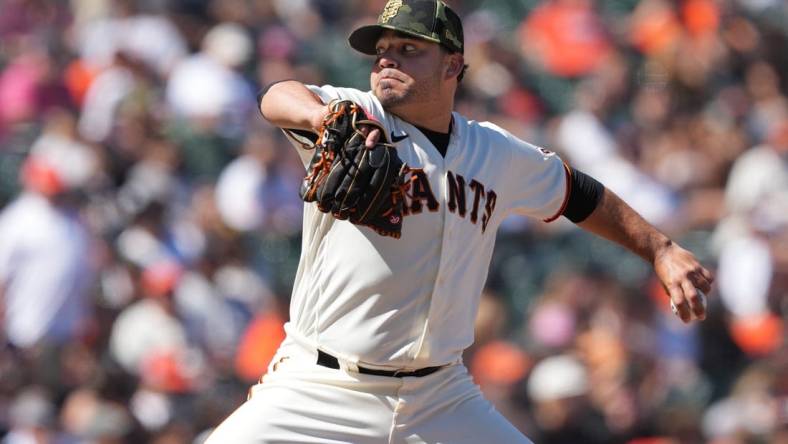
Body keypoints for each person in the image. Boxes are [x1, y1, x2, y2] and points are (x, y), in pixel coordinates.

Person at [207, 1, 714, 442]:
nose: (387, 58)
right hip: (323, 386)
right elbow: (276, 94)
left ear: (453, 64)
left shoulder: (494, 151)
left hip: (440, 395)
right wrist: (318, 118)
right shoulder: (359, 115)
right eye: (382, 48)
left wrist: (661, 249)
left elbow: (577, 193)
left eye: (409, 49)